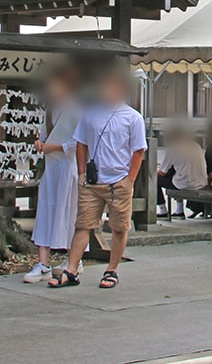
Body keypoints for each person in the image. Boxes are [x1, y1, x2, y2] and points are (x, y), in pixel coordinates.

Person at [48, 69, 146, 289]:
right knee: (83, 225)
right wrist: (82, 173)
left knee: (119, 227)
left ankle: (112, 269)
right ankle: (71, 270)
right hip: (93, 181)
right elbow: (81, 143)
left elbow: (139, 150)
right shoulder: (90, 113)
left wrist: (129, 180)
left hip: (119, 180)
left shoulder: (132, 117)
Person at [24, 68, 83, 283]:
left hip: (68, 168)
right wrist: (41, 144)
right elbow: (43, 136)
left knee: (68, 211)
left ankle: (73, 259)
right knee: (47, 209)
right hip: (51, 168)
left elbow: (79, 143)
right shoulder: (49, 110)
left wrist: (55, 147)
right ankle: (43, 262)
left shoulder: (76, 110)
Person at [155, 125, 208, 218]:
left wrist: (156, 170)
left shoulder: (173, 148)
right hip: (202, 183)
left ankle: (163, 210)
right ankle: (179, 210)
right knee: (177, 175)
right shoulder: (196, 146)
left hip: (185, 184)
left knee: (155, 179)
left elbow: (163, 172)